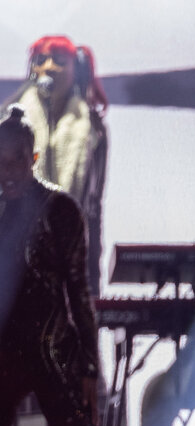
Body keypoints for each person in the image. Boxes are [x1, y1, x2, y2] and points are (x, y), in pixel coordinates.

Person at [0, 104, 103, 426]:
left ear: (34, 159)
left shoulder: (60, 209)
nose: (7, 172)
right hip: (5, 354)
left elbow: (79, 292)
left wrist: (90, 367)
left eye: (16, 161)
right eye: (0, 162)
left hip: (53, 351)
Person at [12, 35, 108, 294]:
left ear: (76, 69)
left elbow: (93, 207)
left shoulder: (93, 128)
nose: (49, 68)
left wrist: (92, 282)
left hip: (71, 254)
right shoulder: (9, 125)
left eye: (59, 60)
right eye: (41, 60)